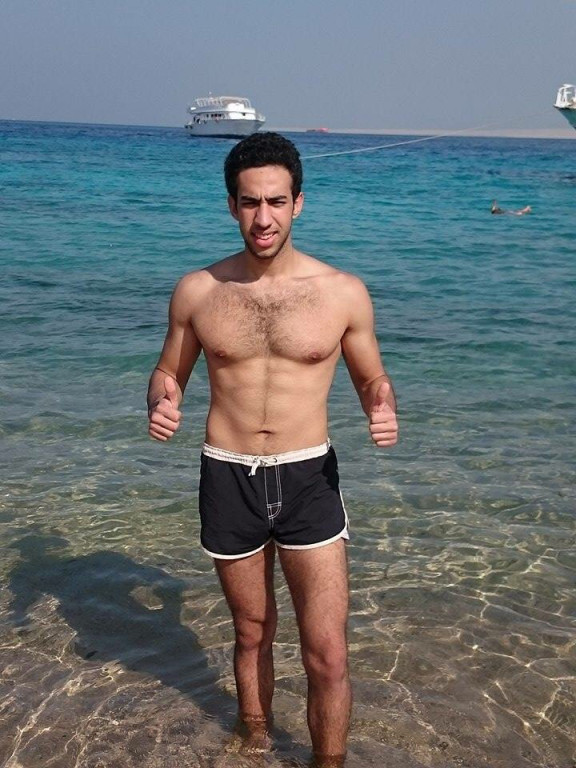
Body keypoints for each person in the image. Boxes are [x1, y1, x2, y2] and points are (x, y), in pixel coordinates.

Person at [147, 132, 398, 767]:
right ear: (232, 205)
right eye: (251, 202)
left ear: (298, 203)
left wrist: (381, 404)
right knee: (252, 631)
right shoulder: (198, 291)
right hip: (228, 474)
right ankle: (253, 740)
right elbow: (169, 370)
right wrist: (163, 398)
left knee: (328, 651)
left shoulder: (342, 292)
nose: (264, 218)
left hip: (308, 475)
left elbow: (371, 376)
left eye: (277, 201)